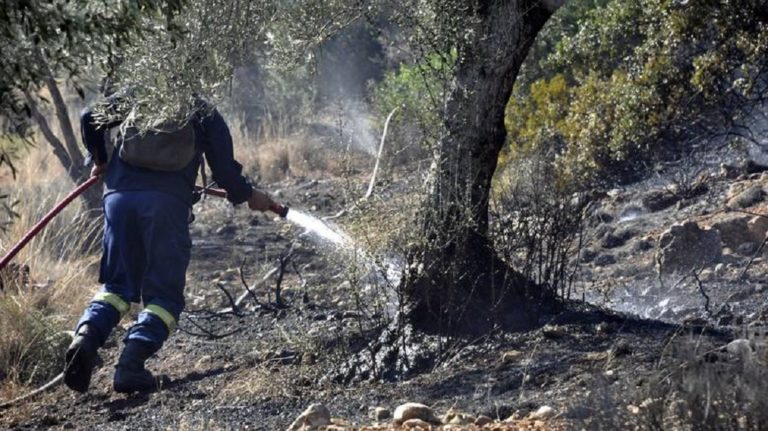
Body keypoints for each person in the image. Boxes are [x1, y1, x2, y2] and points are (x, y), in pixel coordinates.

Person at [64, 102, 275, 394]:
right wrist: (250, 194)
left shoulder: (137, 95)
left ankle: (86, 337)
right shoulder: (204, 113)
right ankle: (131, 365)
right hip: (165, 205)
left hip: (118, 199)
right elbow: (226, 176)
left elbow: (88, 114)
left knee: (116, 287)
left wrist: (99, 159)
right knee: (165, 296)